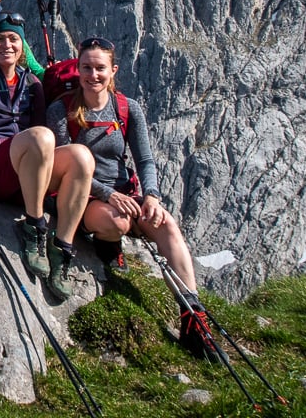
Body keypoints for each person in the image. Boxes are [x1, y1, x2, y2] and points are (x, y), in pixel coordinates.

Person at [46, 36, 223, 361]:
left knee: (166, 225)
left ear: (113, 70)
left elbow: (144, 160)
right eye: (86, 67)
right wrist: (109, 194)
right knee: (117, 222)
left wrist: (152, 196)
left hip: (127, 193)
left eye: (100, 68)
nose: (93, 75)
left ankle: (192, 312)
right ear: (78, 68)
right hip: (88, 197)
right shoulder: (62, 109)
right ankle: (107, 244)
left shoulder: (127, 108)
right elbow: (61, 160)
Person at [0, 12, 95, 301]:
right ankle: (35, 225)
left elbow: (42, 143)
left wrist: (25, 147)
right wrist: (15, 143)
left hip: (26, 170)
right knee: (40, 137)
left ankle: (61, 245)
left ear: (23, 45)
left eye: (14, 39)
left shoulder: (32, 85)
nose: (7, 45)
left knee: (81, 156)